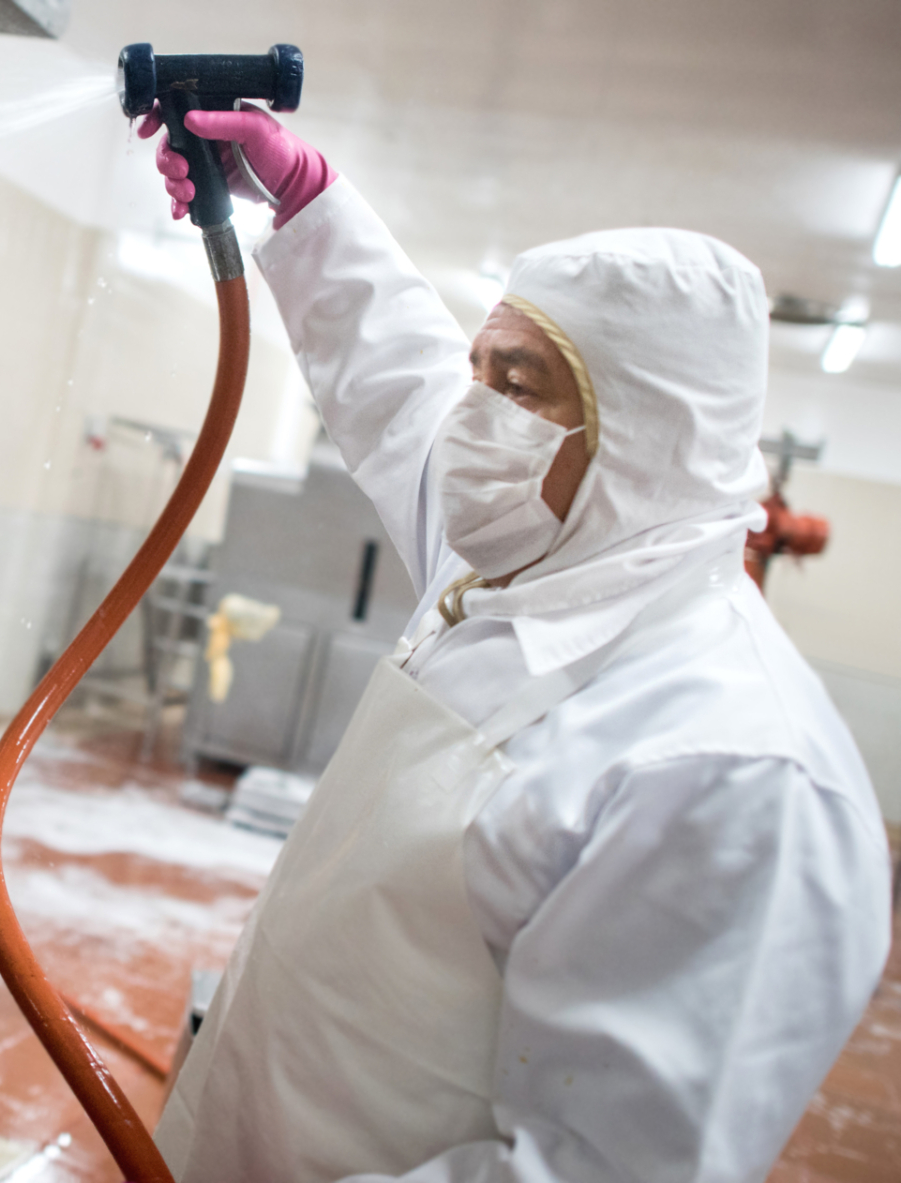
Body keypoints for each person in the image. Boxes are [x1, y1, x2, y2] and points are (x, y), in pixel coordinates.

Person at [137, 103, 893, 1183]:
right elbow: (398, 381)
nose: (469, 417)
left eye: (520, 386)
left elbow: (603, 1168)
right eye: (480, 370)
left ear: (644, 439)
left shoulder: (735, 775)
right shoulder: (525, 557)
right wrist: (306, 201)